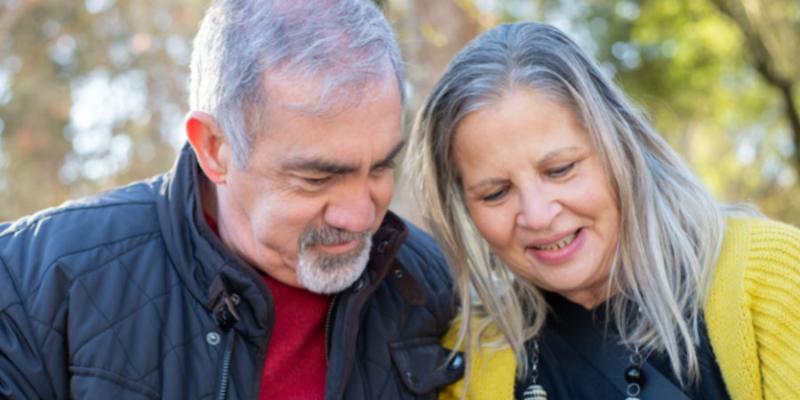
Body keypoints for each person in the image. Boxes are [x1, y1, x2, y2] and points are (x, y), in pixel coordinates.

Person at [0, 0, 463, 398]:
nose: (362, 216)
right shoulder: (30, 285)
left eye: (382, 167)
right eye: (317, 178)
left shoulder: (438, 286)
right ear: (214, 149)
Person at [407, 22, 800, 400]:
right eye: (495, 193)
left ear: (621, 148)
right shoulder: (474, 361)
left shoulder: (771, 277)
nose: (538, 215)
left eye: (560, 170)